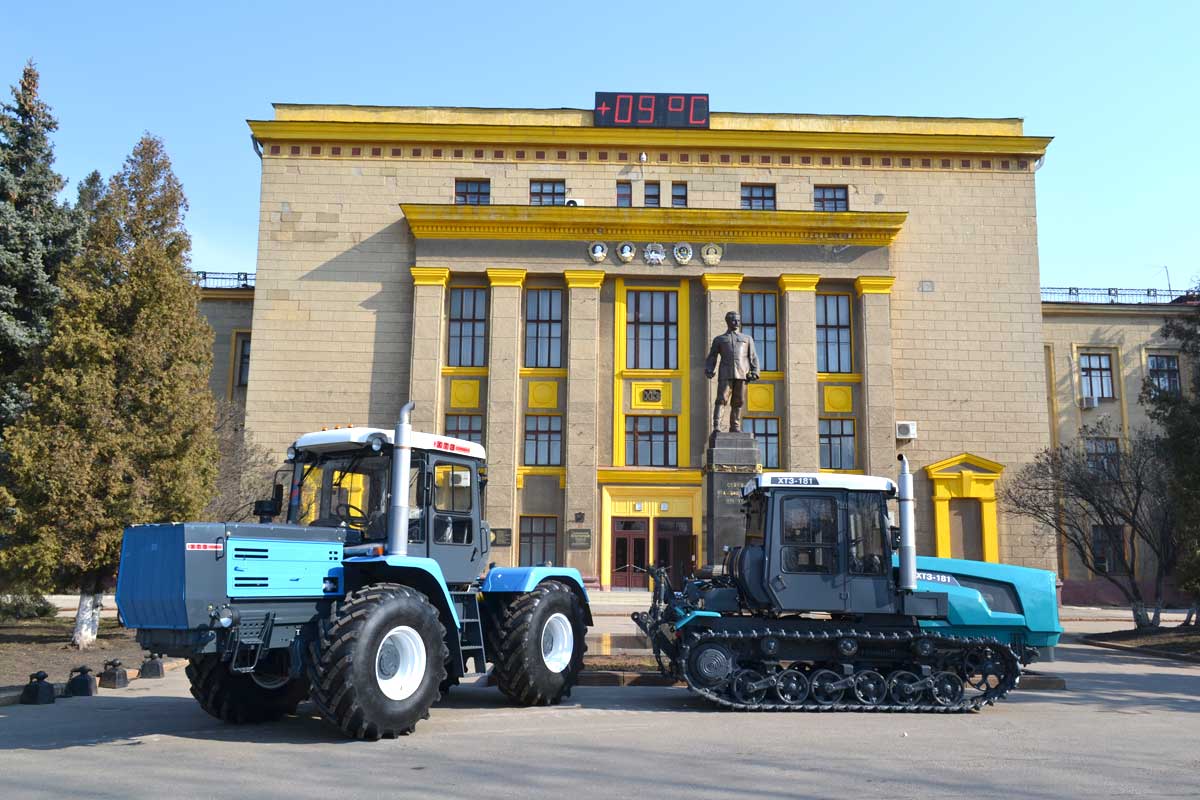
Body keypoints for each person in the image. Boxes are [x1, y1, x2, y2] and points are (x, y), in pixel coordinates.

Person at [704, 310, 760, 435]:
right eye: (734, 320)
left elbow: (753, 357)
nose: (736, 322)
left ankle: (735, 426)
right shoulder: (719, 339)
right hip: (726, 373)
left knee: (738, 401)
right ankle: (717, 426)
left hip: (742, 373)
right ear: (728, 321)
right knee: (721, 399)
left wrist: (755, 371)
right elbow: (712, 356)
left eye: (738, 320)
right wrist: (709, 369)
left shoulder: (747, 339)